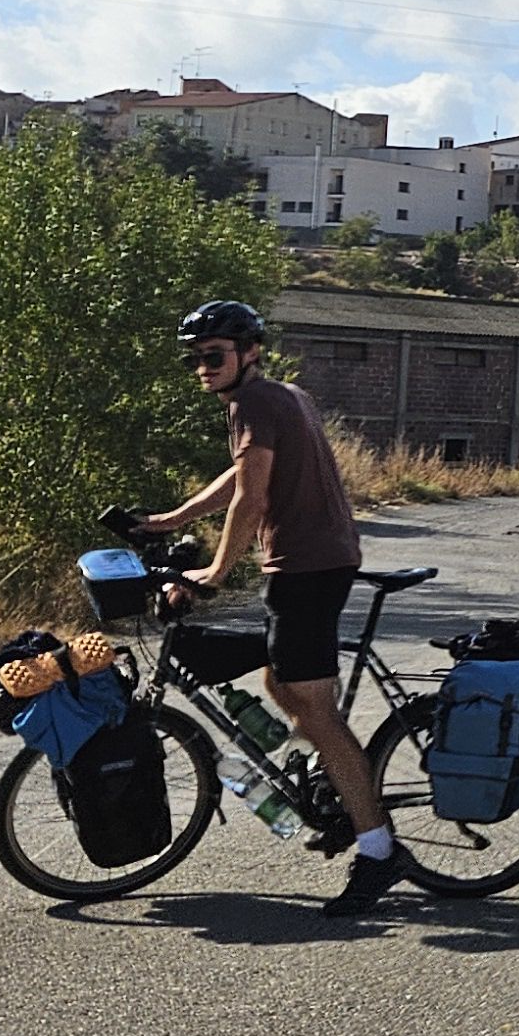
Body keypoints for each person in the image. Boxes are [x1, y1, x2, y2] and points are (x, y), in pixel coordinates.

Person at [141, 299, 404, 915]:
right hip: (318, 561)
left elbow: (251, 501)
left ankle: (376, 846)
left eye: (214, 356)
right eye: (196, 359)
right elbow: (240, 476)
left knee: (314, 709)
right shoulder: (283, 396)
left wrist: (212, 572)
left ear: (249, 353)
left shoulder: (253, 403)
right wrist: (172, 518)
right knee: (278, 681)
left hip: (307, 567)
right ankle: (337, 787)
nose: (203, 367)